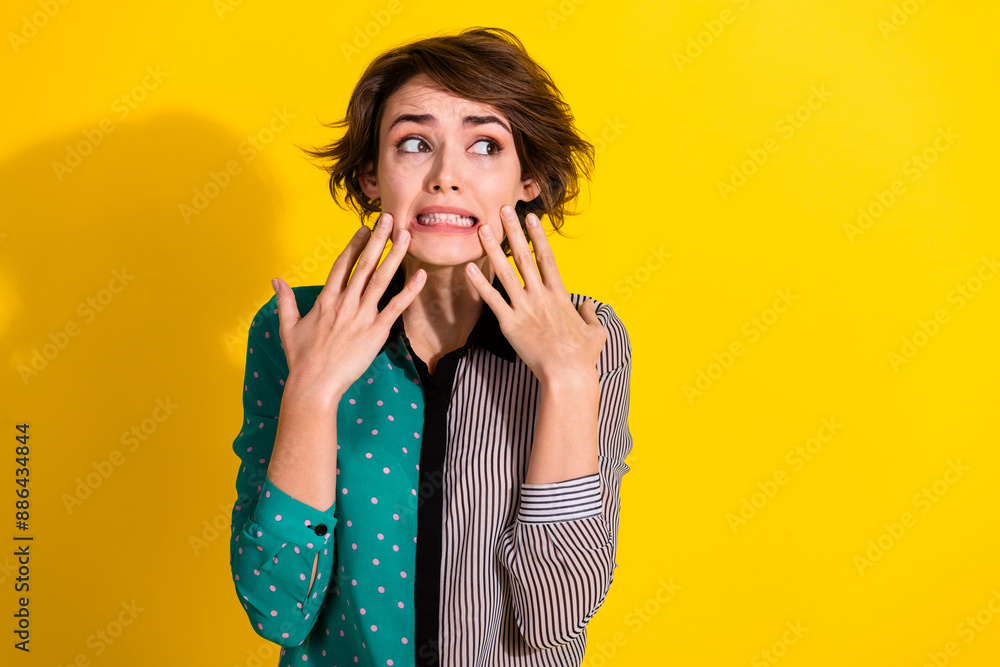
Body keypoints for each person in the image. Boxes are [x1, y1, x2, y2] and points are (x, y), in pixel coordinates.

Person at [229, 26, 634, 667]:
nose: (446, 177)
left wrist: (569, 381)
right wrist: (312, 388)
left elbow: (555, 621)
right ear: (370, 176)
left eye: (485, 146)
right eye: (415, 143)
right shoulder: (295, 329)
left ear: (527, 179)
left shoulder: (585, 336)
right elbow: (276, 608)